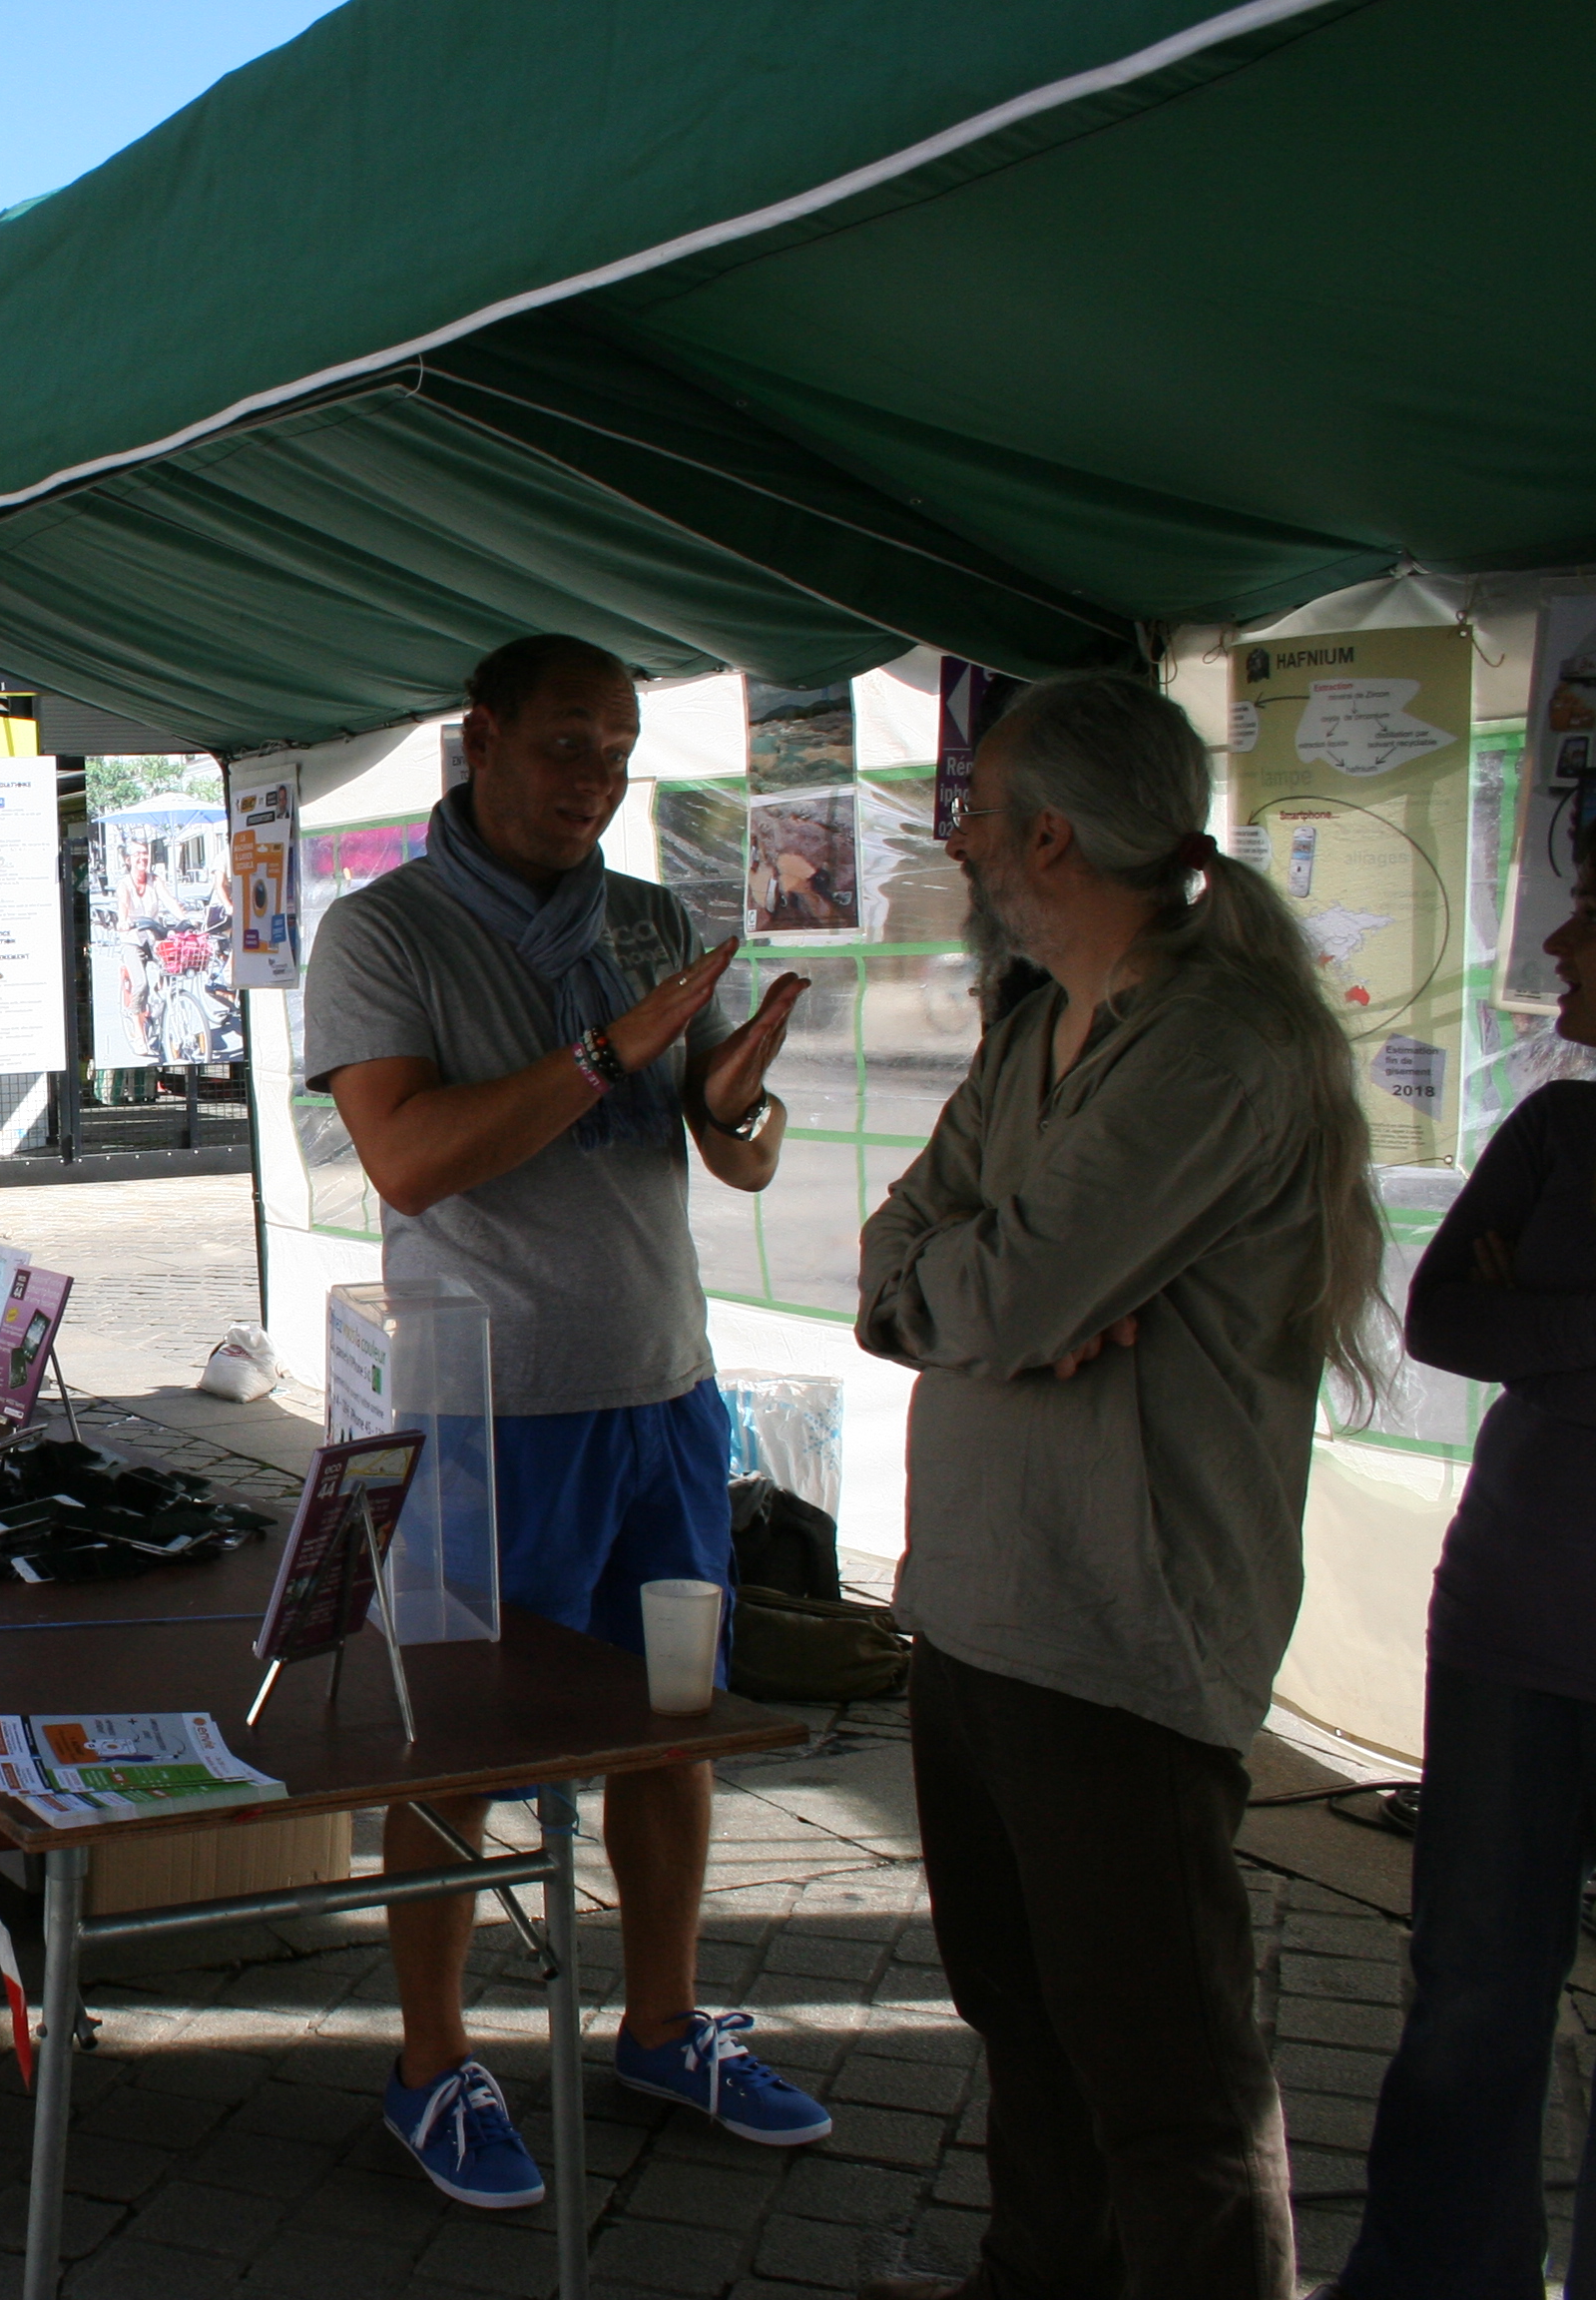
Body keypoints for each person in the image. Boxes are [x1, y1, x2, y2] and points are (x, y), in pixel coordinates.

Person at [853, 670, 1385, 2300]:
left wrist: (988, 1296)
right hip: (980, 1612)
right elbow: (898, 1255)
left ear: (1053, 837)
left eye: (976, 809)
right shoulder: (1037, 1031)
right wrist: (982, 1294)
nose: (956, 838)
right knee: (1023, 2016)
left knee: (1170, 2082)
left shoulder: (1213, 1046)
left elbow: (1001, 1293)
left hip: (1119, 1633)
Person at [304, 632, 823, 2211]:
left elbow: (727, 1164)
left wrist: (733, 1099)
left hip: (664, 1393)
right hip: (488, 1416)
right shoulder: (380, 933)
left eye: (616, 752)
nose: (593, 781)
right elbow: (409, 1161)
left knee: (675, 1726)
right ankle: (431, 2060)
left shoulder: (650, 918)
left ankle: (662, 2022)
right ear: (480, 739)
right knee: (456, 1746)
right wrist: (612, 1050)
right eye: (564, 747)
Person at [1329, 846, 1596, 2300]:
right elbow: (1440, 1323)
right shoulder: (1557, 1125)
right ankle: (1436, 2276)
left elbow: (1504, 1326)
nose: (1558, 938)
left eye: (1594, 913)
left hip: (1527, 1604)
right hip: (1508, 1626)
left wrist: (1544, 1312)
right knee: (1475, 1989)